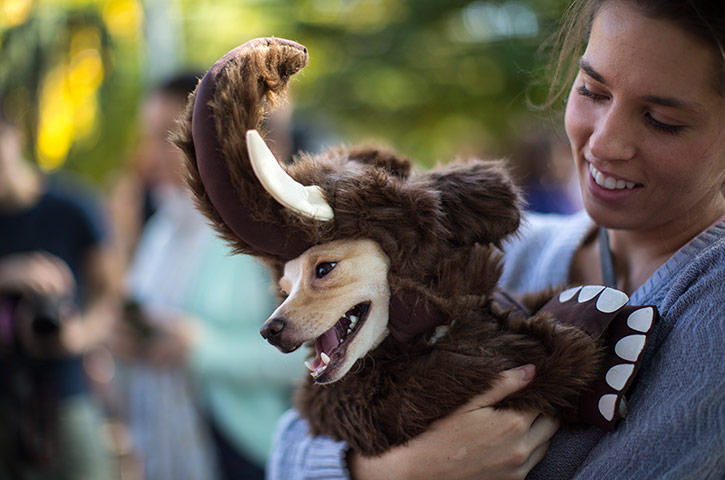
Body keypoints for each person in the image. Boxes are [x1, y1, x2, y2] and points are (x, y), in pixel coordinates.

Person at [267, 1, 725, 479]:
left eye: (662, 120)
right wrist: (389, 471)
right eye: (592, 91)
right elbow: (287, 449)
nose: (606, 142)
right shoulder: (509, 248)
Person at [110, 73, 305, 480]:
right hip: (166, 449)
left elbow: (311, 355)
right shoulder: (162, 228)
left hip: (246, 452)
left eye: (169, 134)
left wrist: (201, 348)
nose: (154, 152)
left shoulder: (260, 229)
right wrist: (126, 342)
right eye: (149, 136)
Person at [0, 109, 117, 478]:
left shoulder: (73, 206)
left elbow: (113, 293)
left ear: (13, 135)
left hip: (65, 391)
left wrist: (79, 336)